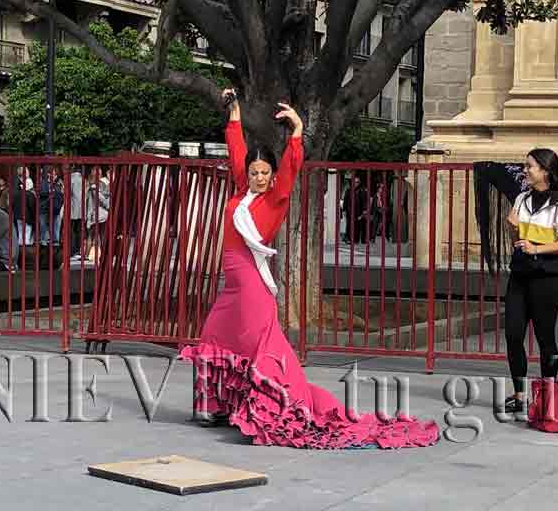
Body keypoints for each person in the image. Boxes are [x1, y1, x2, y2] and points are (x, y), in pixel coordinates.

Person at [180, 88, 438, 449]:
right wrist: (234, 112)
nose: (257, 176)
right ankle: (216, 406)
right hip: (231, 286)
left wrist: (297, 130)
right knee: (213, 338)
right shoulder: (241, 192)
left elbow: (290, 167)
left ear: (271, 177)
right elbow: (237, 149)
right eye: (253, 171)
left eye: (263, 172)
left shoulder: (275, 198)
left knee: (260, 350)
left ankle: (271, 408)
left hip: (253, 286)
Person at [502, 148, 558, 413]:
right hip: (520, 274)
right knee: (513, 333)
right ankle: (520, 393)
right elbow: (518, 237)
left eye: (530, 166)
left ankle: (549, 393)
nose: (525, 171)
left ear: (545, 171)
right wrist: (512, 226)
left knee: (545, 336)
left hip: (547, 278)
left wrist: (537, 248)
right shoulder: (522, 198)